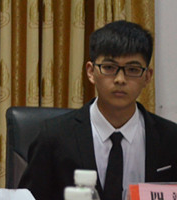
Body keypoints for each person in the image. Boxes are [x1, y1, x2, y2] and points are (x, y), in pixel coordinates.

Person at [19, 20, 177, 200]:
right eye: (109, 68)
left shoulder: (170, 139)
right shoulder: (54, 137)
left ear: (147, 77)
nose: (120, 79)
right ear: (91, 72)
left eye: (132, 69)